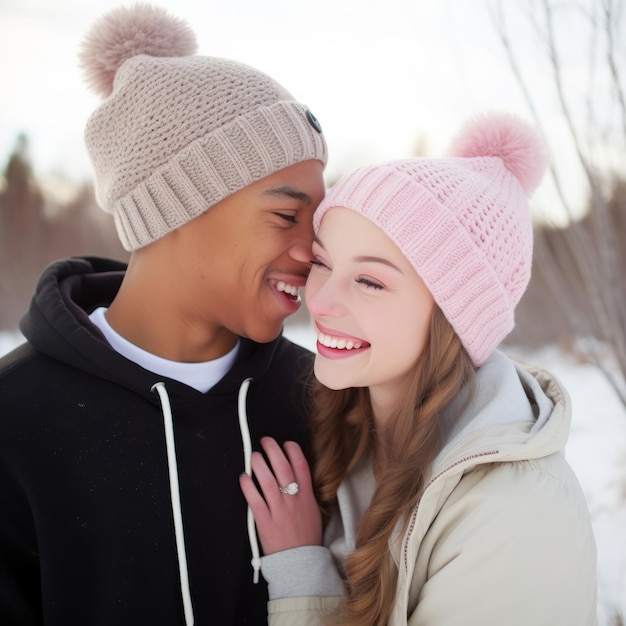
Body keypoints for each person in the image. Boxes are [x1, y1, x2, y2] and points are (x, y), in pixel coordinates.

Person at [0, 4, 326, 625]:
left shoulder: (322, 401)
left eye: (321, 220)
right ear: (175, 209)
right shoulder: (14, 420)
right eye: (287, 216)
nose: (315, 252)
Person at [240, 112, 598, 625]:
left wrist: (302, 574)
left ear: (454, 316)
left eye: (369, 281)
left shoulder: (514, 514)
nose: (319, 301)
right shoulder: (351, 430)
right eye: (322, 263)